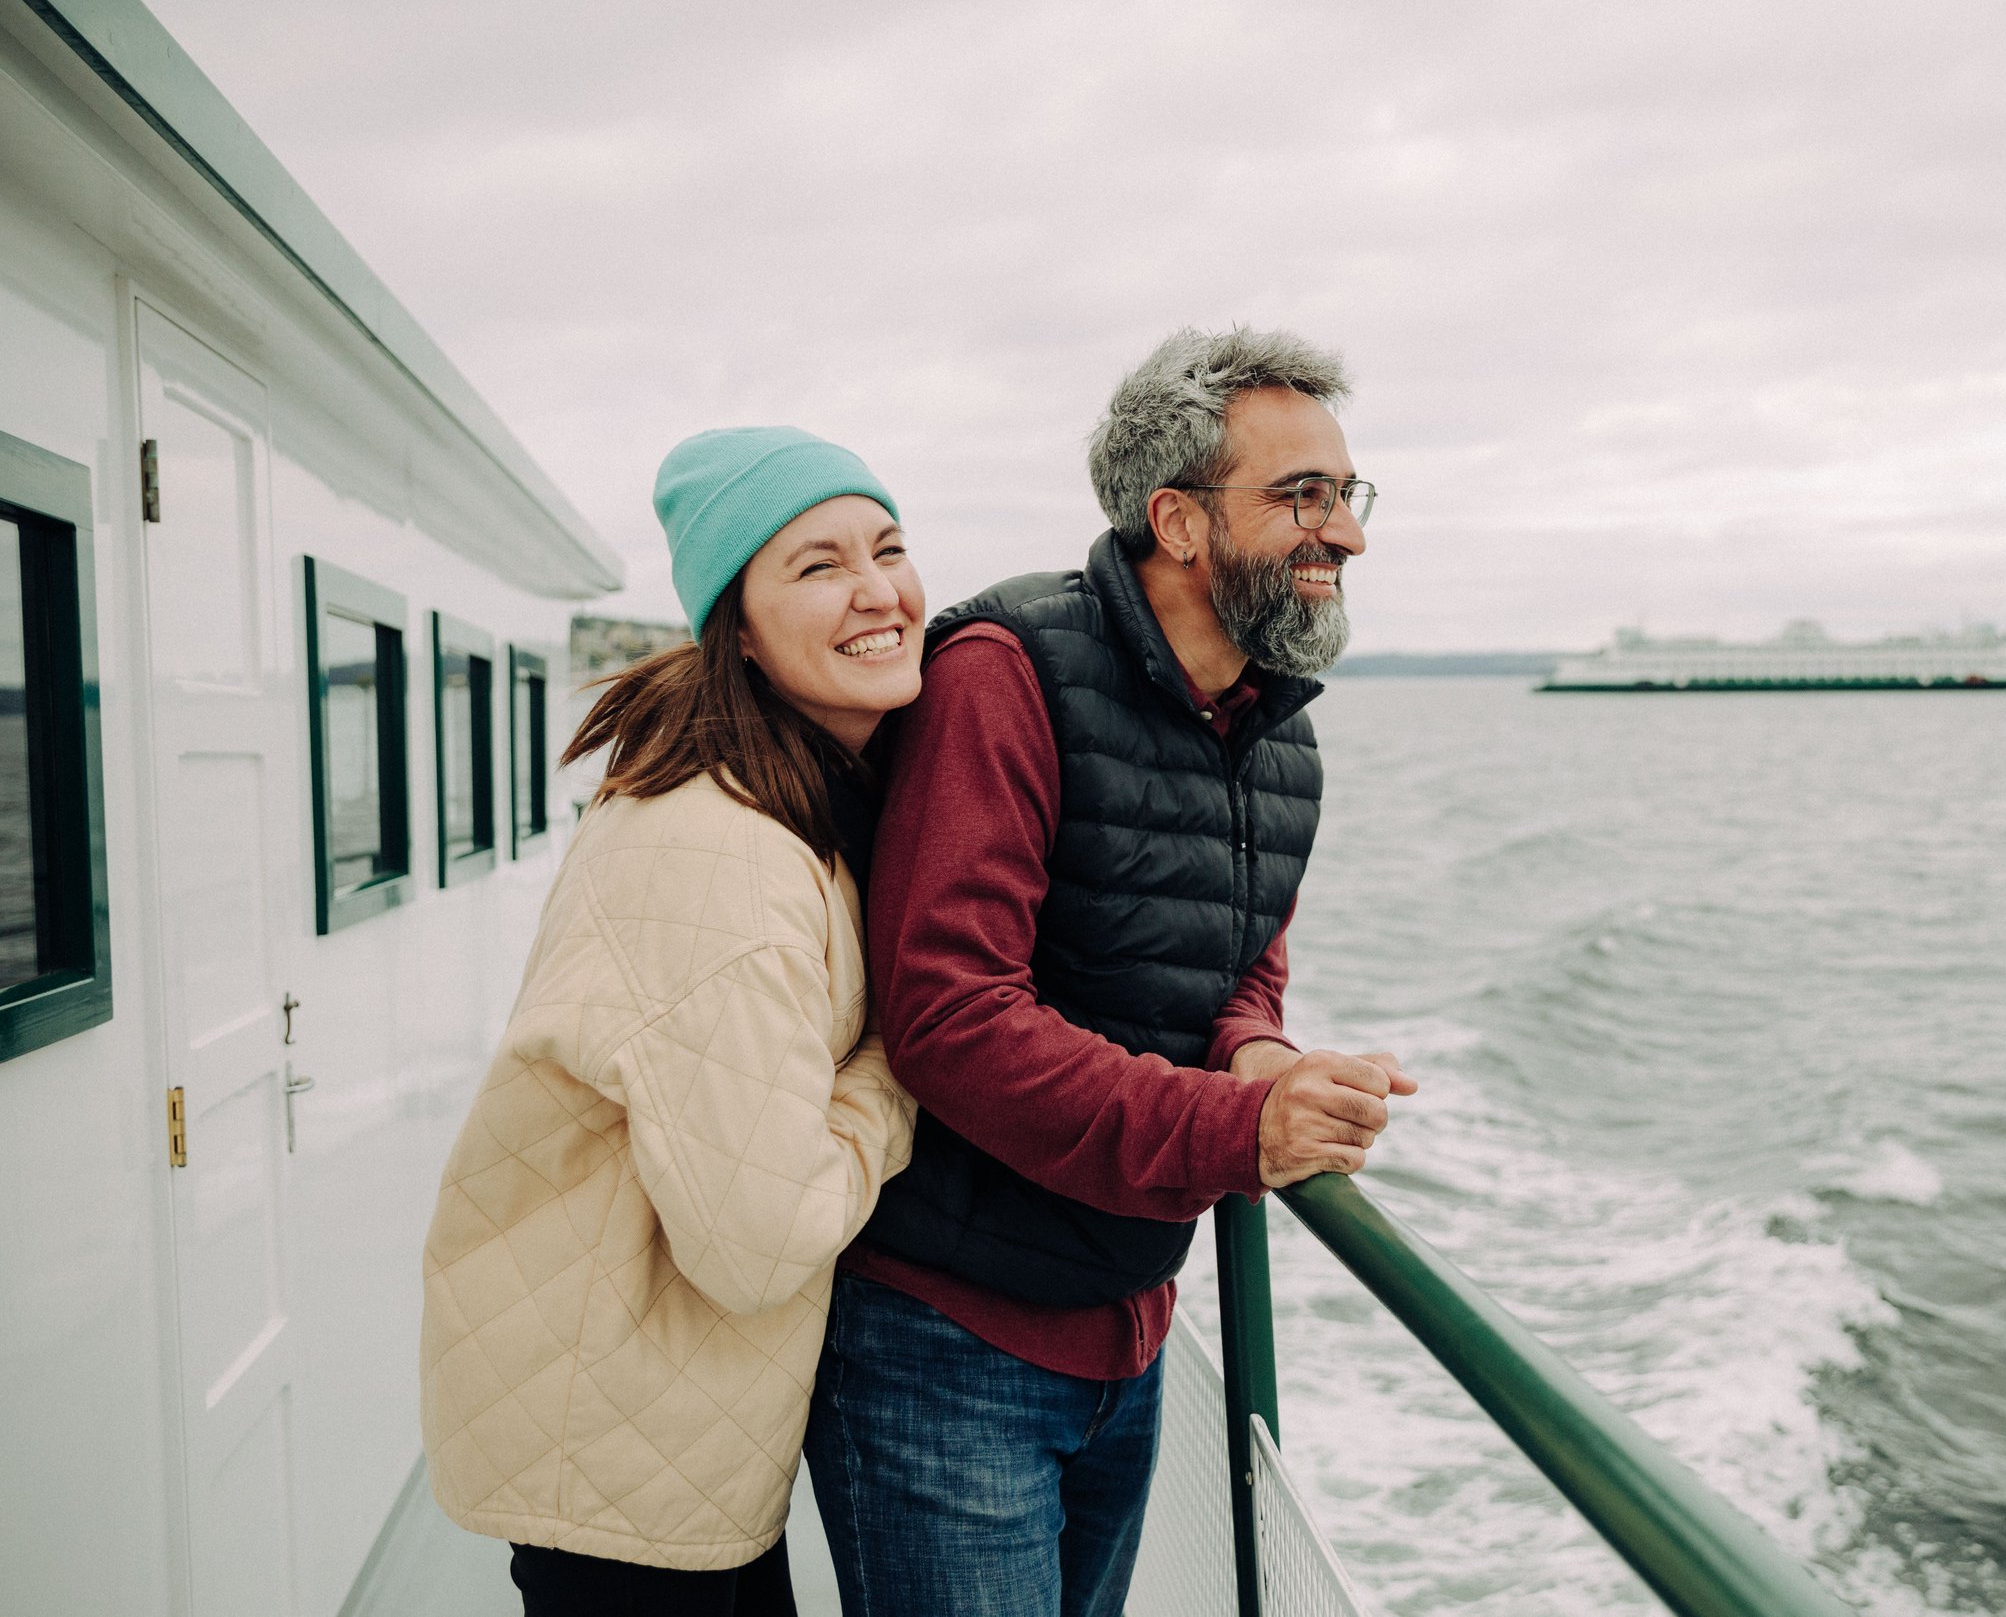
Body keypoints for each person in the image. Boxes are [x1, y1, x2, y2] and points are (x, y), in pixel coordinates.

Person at [807, 326, 1417, 1615]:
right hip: (943, 1343)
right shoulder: (1005, 672)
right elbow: (949, 1018)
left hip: (1128, 1332)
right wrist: (1240, 1122)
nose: (1346, 534)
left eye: (1346, 495)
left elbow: (1242, 968)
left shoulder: (1278, 734)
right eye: (1303, 495)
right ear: (1177, 520)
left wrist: (1259, 1050)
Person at [419, 427, 924, 1617]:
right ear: (735, 627)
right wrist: (902, 1064)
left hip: (647, 1427)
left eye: (889, 547)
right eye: (815, 563)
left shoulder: (781, 796)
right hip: (621, 1453)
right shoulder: (719, 856)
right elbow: (753, 1242)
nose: (877, 589)